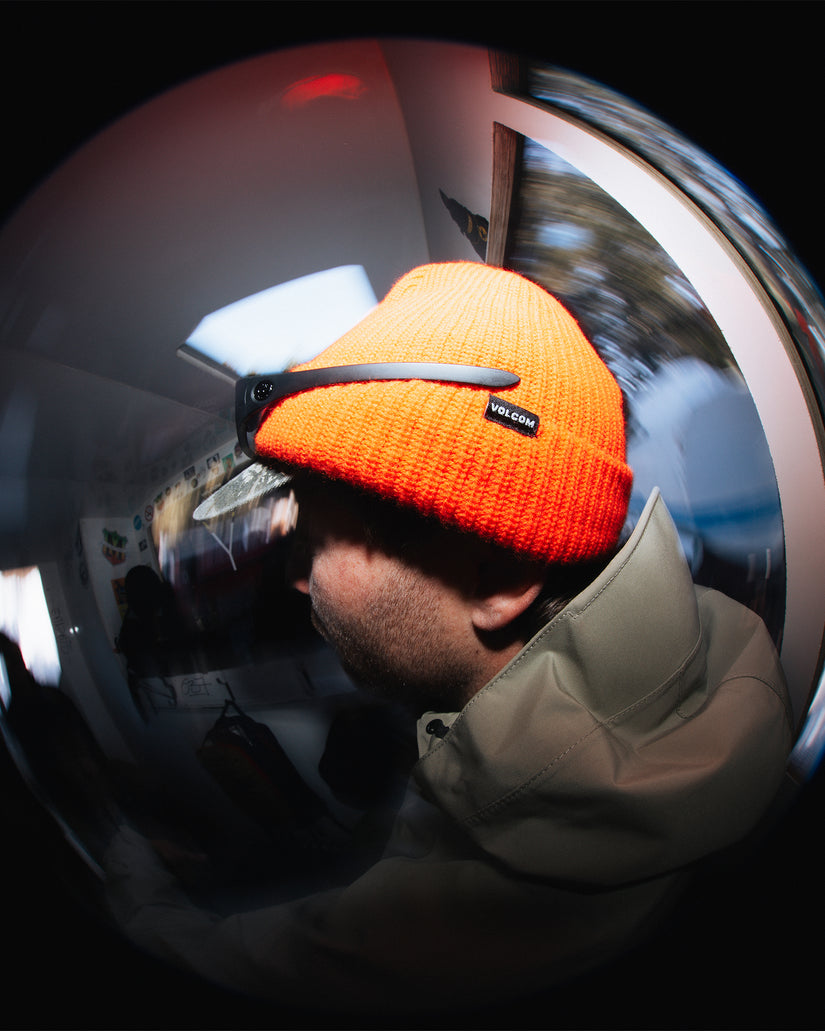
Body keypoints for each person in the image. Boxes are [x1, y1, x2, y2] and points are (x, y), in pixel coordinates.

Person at [102, 262, 793, 1017]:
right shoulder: (710, 645)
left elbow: (209, 969)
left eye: (315, 537)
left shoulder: (488, 918)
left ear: (496, 578)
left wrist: (121, 857)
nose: (295, 577)